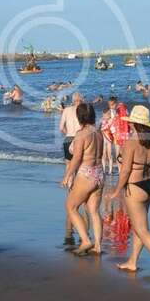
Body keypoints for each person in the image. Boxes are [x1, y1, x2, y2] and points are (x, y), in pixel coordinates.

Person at [108, 105, 150, 280]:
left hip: (135, 188)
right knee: (140, 227)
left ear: (135, 124)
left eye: (131, 122)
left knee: (142, 230)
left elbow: (125, 171)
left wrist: (116, 191)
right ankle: (132, 262)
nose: (129, 125)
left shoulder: (131, 143)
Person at [62, 103, 104, 256]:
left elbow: (77, 157)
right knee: (94, 211)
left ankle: (86, 240)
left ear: (79, 117)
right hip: (99, 173)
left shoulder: (81, 134)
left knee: (71, 207)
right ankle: (98, 246)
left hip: (86, 173)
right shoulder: (99, 132)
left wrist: (67, 175)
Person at [58, 92, 83, 244]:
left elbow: (61, 127)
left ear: (73, 100)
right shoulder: (83, 110)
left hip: (68, 139)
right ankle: (79, 191)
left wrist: (68, 133)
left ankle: (70, 190)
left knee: (69, 166)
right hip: (79, 139)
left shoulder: (67, 110)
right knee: (79, 166)